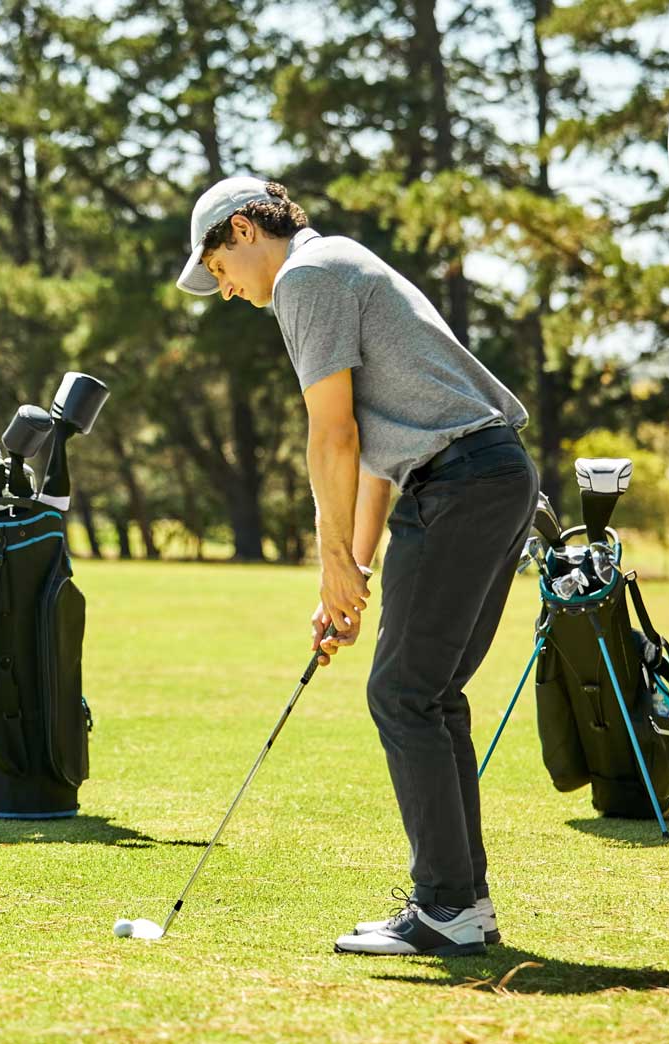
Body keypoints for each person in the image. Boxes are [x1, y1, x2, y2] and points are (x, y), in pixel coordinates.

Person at [176, 177, 536, 957]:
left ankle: (446, 906)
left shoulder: (305, 278)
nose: (225, 290)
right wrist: (352, 575)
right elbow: (373, 456)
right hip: (481, 475)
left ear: (244, 231)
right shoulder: (336, 264)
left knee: (404, 693)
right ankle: (463, 903)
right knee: (428, 694)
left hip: (461, 482)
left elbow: (332, 435)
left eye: (219, 268)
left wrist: (331, 560)